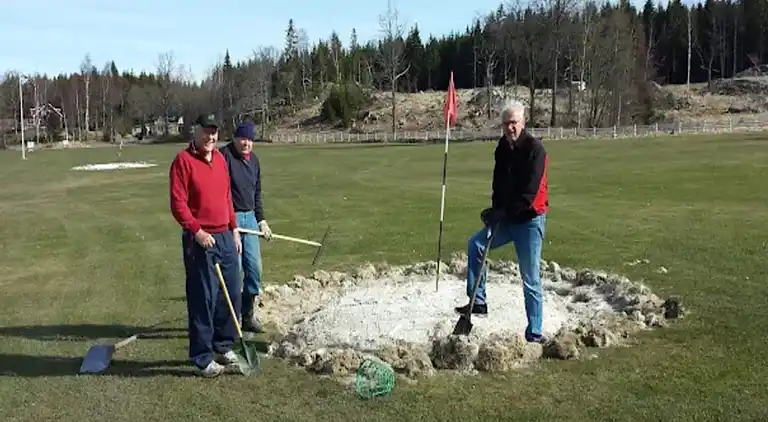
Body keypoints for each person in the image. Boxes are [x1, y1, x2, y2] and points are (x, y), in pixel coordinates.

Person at [454, 99, 550, 344]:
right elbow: (499, 184)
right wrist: (494, 209)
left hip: (529, 221)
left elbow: (529, 194)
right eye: (506, 123)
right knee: (476, 244)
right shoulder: (502, 148)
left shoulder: (535, 150)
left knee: (530, 278)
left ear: (523, 122)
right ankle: (478, 302)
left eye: (514, 123)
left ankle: (535, 331)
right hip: (507, 218)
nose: (510, 128)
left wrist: (503, 213)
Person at [169, 113, 243, 377]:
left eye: (214, 132)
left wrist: (234, 229)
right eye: (205, 132)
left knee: (231, 292)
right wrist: (197, 231)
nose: (210, 137)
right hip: (199, 239)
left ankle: (223, 346)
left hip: (224, 236)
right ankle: (202, 357)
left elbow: (226, 198)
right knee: (204, 298)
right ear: (195, 131)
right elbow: (178, 204)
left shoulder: (221, 160)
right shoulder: (183, 162)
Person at [219, 121, 272, 334]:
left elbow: (256, 194)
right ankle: (231, 319)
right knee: (234, 272)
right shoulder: (224, 157)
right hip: (230, 218)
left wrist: (262, 220)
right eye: (243, 139)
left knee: (254, 269)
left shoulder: (255, 161)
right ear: (235, 138)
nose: (246, 143)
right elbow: (221, 193)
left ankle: (248, 315)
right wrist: (231, 225)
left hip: (250, 218)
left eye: (250, 140)